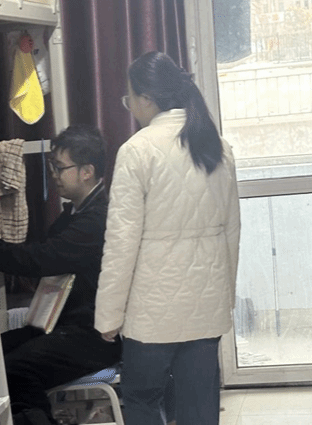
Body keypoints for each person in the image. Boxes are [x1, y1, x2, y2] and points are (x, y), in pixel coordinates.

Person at [95, 51, 241, 425]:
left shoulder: (137, 150)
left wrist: (109, 313)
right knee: (200, 406)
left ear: (146, 98)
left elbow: (121, 242)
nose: (130, 106)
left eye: (129, 98)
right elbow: (232, 231)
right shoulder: (217, 146)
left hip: (151, 310)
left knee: (142, 400)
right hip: (205, 305)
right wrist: (224, 297)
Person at [0, 124, 121, 425]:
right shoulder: (75, 214)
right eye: (52, 166)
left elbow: (42, 258)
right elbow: (43, 254)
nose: (54, 174)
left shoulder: (95, 220)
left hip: (94, 334)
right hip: (66, 323)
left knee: (17, 369)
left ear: (87, 171)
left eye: (60, 167)